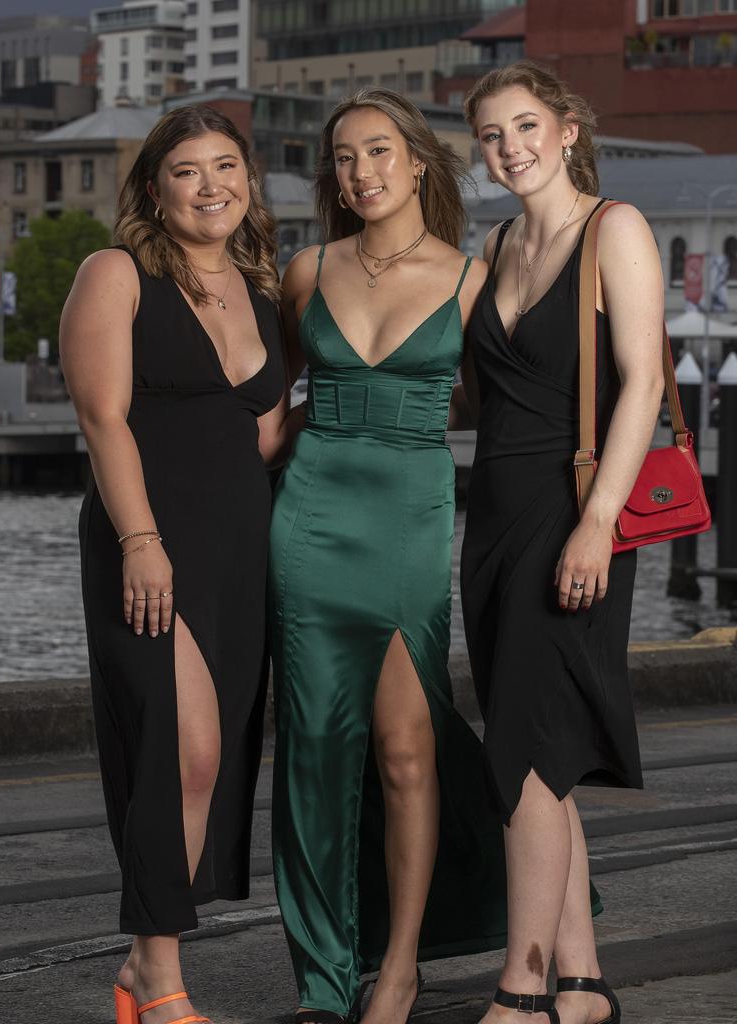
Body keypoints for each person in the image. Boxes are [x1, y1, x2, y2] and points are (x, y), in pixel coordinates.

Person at [269, 88, 508, 1024]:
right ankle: (325, 985)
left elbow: (496, 409)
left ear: (417, 162)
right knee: (315, 752)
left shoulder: (471, 279)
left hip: (410, 515)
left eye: (377, 152)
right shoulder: (305, 269)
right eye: (343, 157)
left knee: (408, 750)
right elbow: (270, 402)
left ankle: (399, 968)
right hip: (310, 519)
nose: (359, 172)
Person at [60, 105, 286, 1024]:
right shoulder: (115, 272)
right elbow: (102, 417)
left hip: (240, 543)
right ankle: (159, 979)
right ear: (154, 188)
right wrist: (140, 541)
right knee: (179, 748)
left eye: (226, 166)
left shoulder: (260, 287)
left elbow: (263, 435)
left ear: (249, 181)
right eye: (187, 170)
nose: (211, 186)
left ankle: (144, 962)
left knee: (212, 759)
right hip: (145, 538)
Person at [456, 61, 665, 1024]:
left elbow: (644, 383)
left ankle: (523, 988)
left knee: (528, 758)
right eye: (493, 136)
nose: (512, 148)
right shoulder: (493, 244)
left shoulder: (612, 228)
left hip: (573, 508)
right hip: (492, 519)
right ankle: (583, 987)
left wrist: (598, 520)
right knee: (532, 745)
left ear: (569, 127)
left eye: (527, 126)